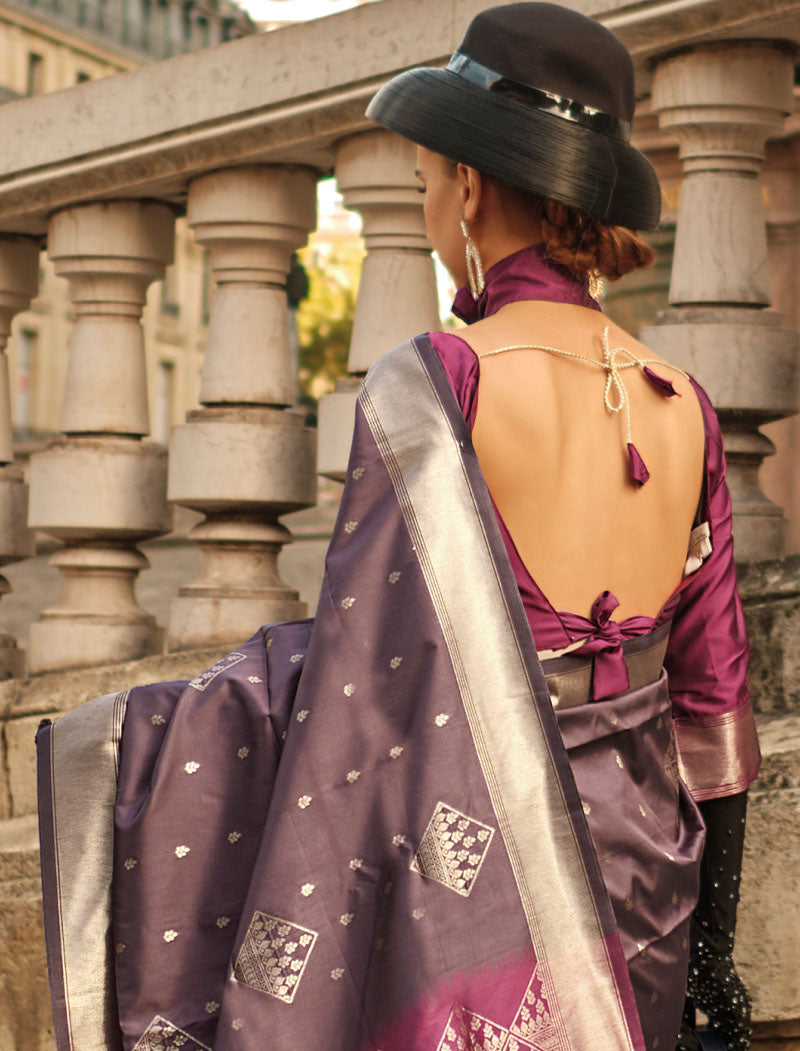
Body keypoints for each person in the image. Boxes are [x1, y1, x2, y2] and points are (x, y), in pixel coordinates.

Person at [36, 5, 760, 1051]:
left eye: (424, 184)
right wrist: (712, 952)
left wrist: (144, 737)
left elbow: (362, 680)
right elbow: (712, 695)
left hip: (475, 882)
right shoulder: (680, 400)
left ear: (467, 186)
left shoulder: (439, 381)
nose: (425, 211)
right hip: (643, 881)